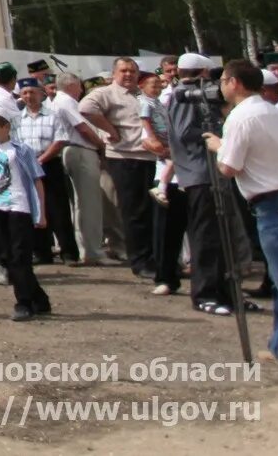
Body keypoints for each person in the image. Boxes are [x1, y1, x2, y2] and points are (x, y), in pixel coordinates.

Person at [206, 58, 278, 367]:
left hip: (273, 203)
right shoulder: (273, 110)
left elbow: (229, 167)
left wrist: (218, 146)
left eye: (223, 81)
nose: (220, 87)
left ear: (234, 83)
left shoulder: (240, 117)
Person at [154, 53, 238, 314]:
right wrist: (217, 131)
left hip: (212, 172)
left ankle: (225, 293)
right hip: (199, 173)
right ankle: (205, 294)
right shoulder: (184, 95)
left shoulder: (197, 95)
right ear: (203, 73)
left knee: (222, 237)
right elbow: (183, 131)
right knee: (206, 236)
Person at [81, 57, 163, 282]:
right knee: (135, 212)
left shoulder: (141, 93)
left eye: (132, 71)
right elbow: (85, 108)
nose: (128, 75)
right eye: (124, 71)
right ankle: (140, 262)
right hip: (126, 157)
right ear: (114, 73)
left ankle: (157, 258)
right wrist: (109, 129)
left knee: (152, 211)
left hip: (151, 157)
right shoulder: (107, 93)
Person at [0, 105, 51, 321]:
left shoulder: (21, 150)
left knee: (20, 257)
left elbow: (37, 180)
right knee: (8, 257)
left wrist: (41, 213)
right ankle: (40, 299)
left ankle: (24, 302)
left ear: (6, 127)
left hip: (19, 208)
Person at [13, 76, 80, 265]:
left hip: (49, 164)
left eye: (32, 92)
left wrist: (42, 159)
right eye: (25, 93)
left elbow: (60, 140)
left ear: (41, 94)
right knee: (34, 208)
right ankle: (42, 252)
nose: (29, 96)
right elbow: (15, 143)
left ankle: (69, 253)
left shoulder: (53, 115)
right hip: (27, 167)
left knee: (58, 209)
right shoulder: (17, 119)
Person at [52, 71, 109, 264]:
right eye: (79, 86)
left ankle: (86, 248)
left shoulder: (59, 101)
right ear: (72, 85)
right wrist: (101, 146)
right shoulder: (66, 101)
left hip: (73, 150)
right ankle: (93, 251)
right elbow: (83, 128)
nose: (81, 90)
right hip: (80, 150)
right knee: (88, 204)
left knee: (79, 204)